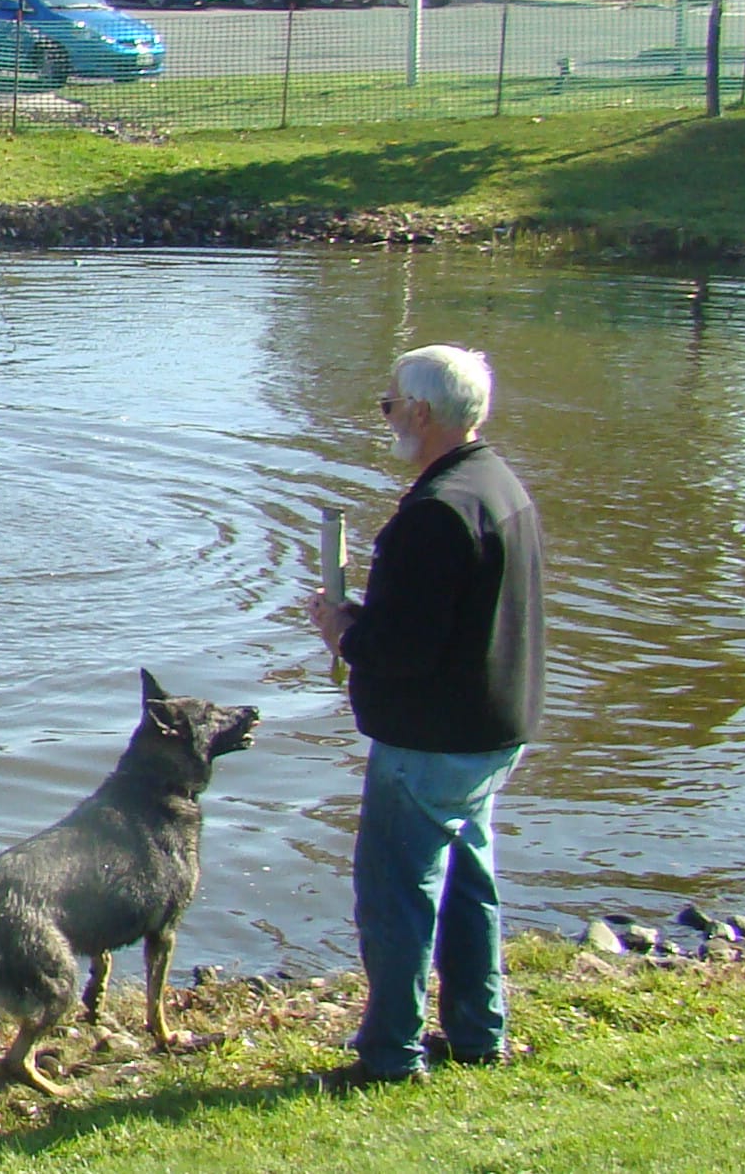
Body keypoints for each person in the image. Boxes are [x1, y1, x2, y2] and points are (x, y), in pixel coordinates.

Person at [305, 343, 546, 1089]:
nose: (387, 420)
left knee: (396, 895)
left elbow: (400, 650)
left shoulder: (435, 513)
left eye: (390, 406)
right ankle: (478, 1031)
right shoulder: (499, 485)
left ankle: (390, 1053)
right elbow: (453, 619)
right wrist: (369, 621)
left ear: (422, 411)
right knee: (469, 885)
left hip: (430, 741)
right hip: (492, 729)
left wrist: (343, 630)